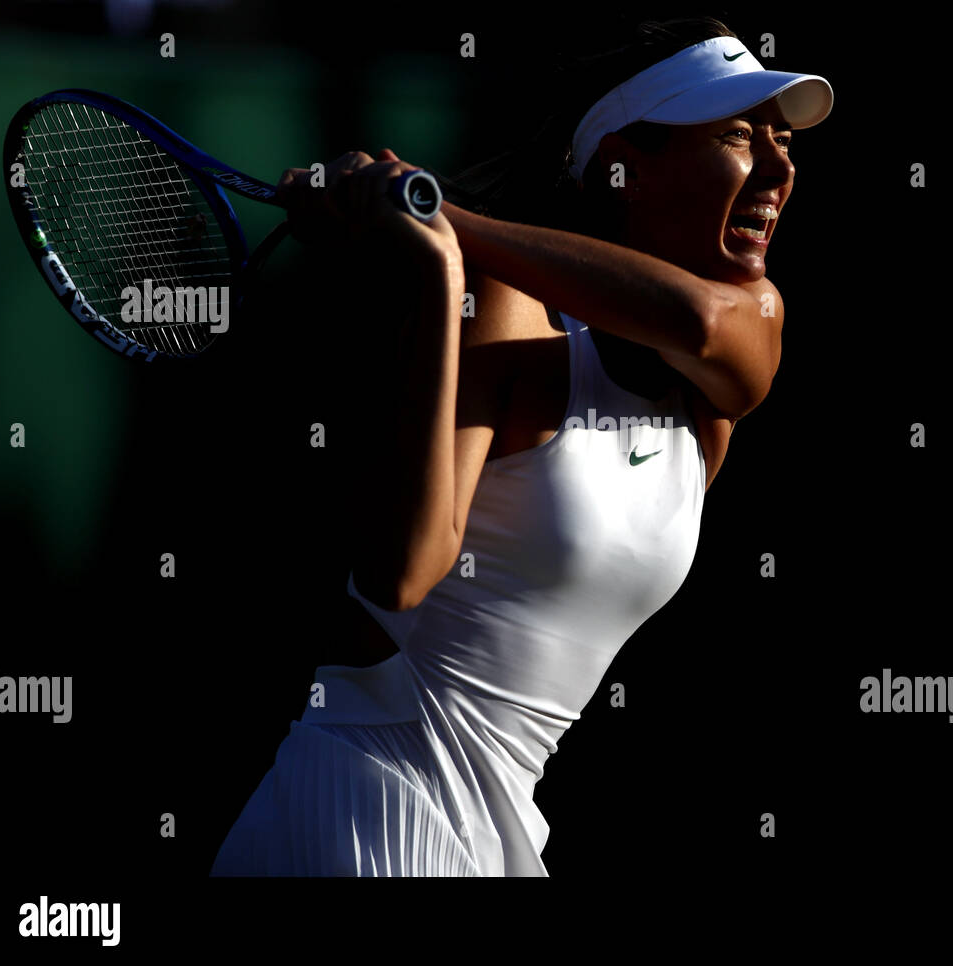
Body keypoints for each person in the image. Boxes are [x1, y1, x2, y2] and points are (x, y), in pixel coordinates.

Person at [210, 16, 832, 876]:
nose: (779, 164)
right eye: (736, 134)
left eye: (781, 139)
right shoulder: (503, 309)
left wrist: (440, 218)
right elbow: (401, 576)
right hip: (367, 799)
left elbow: (693, 316)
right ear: (625, 164)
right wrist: (441, 276)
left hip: (501, 831)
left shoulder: (739, 337)